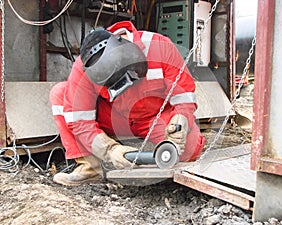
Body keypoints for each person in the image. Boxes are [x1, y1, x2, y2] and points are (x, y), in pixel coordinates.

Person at [49, 21, 206, 186]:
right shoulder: (84, 67)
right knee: (60, 93)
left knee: (189, 149)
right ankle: (90, 168)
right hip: (114, 117)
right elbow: (79, 120)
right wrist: (110, 151)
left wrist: (181, 120)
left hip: (153, 118)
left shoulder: (159, 47)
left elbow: (184, 95)